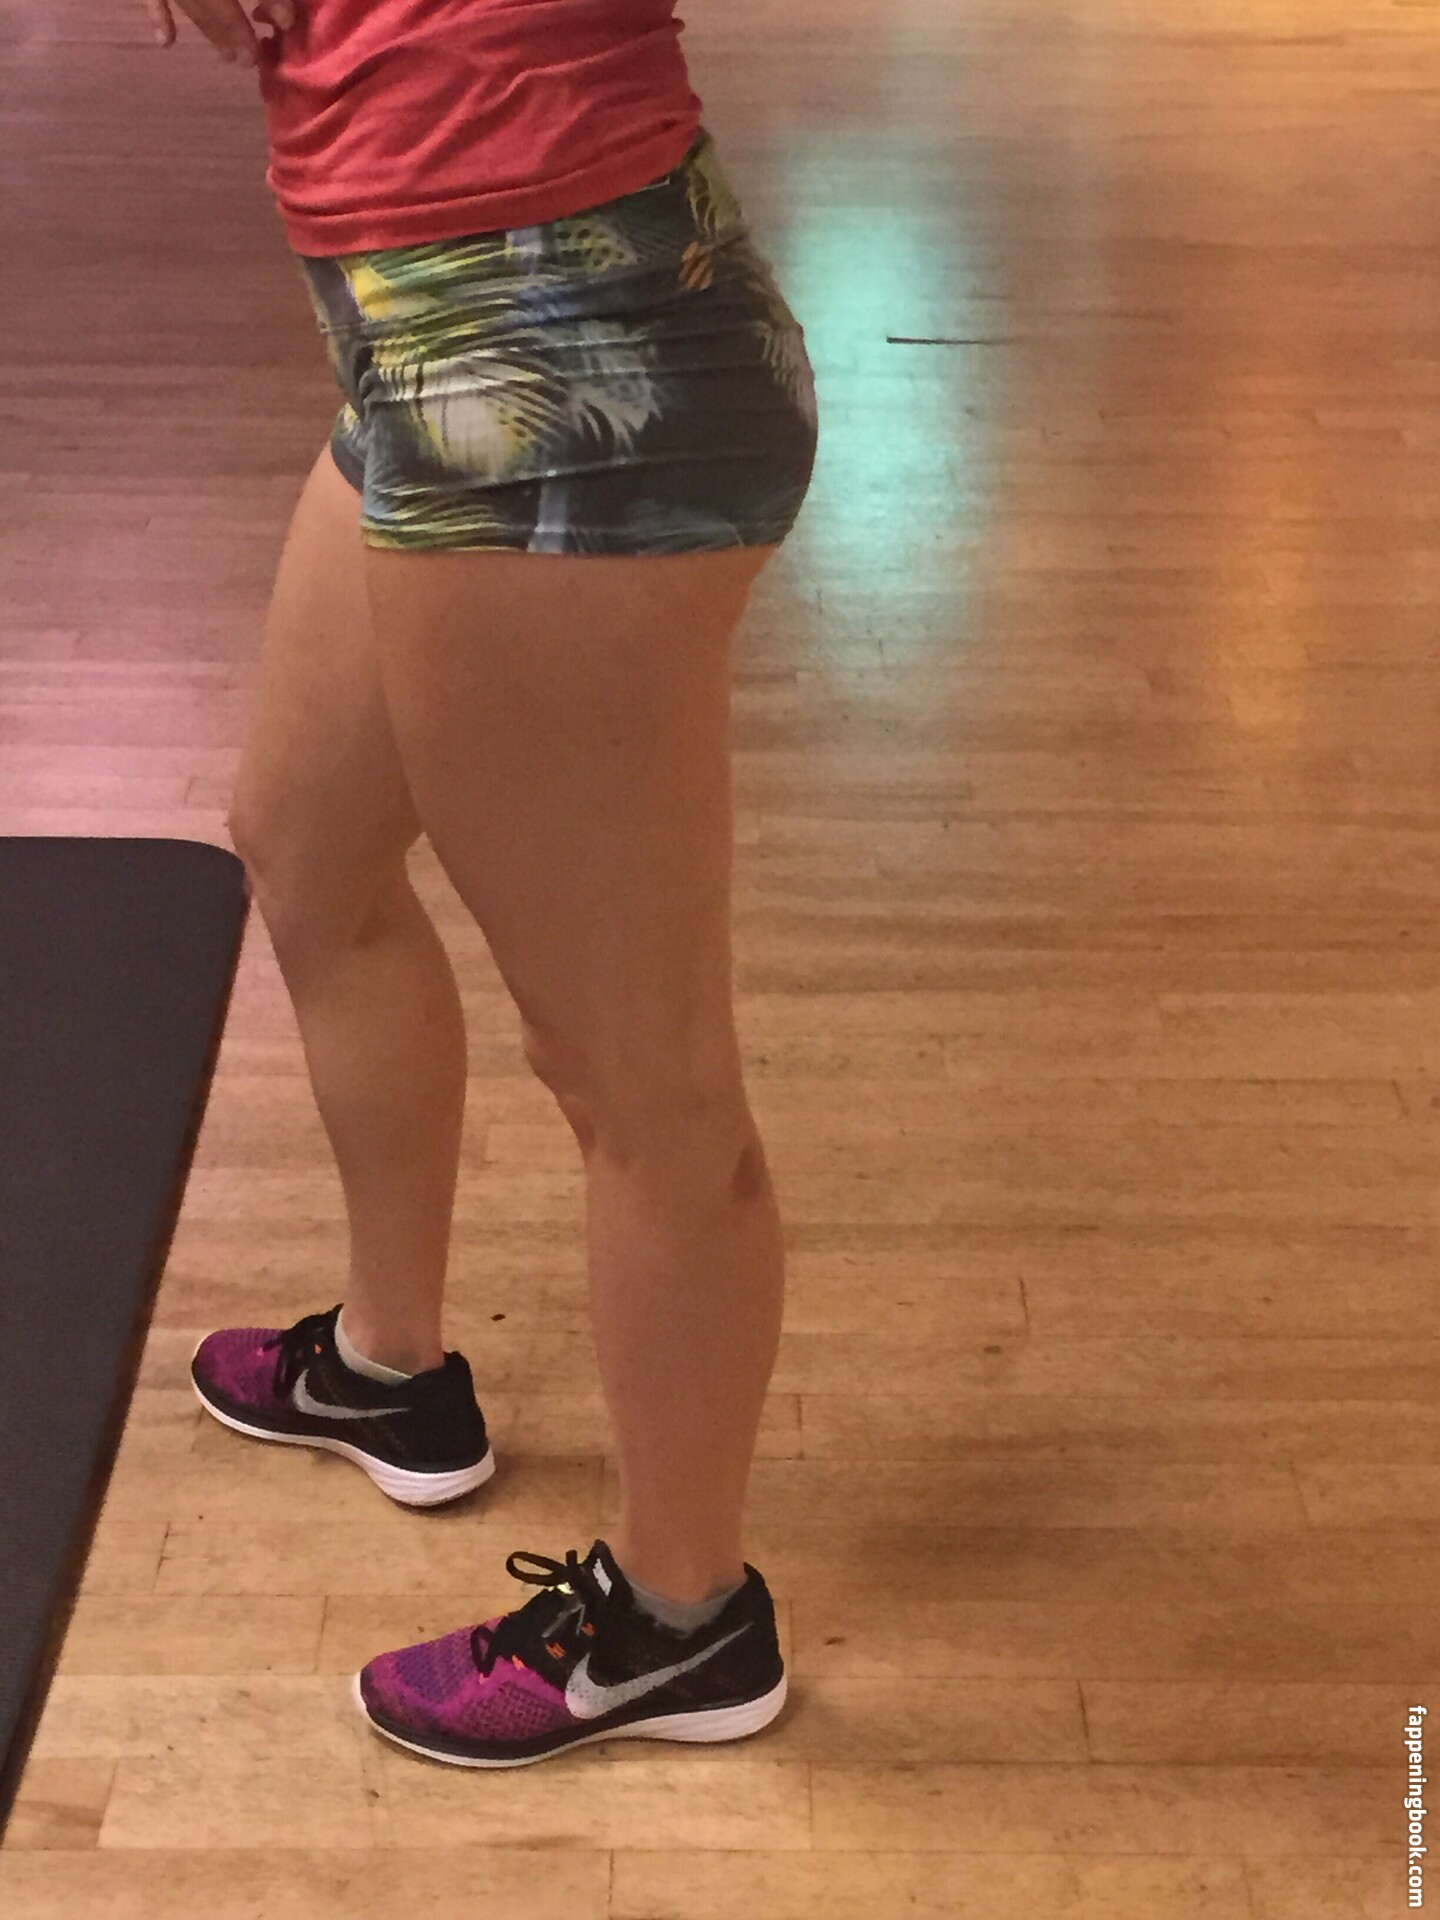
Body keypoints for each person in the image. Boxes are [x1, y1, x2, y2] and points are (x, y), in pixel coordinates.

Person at [146, 0, 818, 1768]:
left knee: (640, 1078)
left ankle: (682, 1619)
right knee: (308, 846)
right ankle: (390, 1372)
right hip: (417, 330)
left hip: (562, 356)